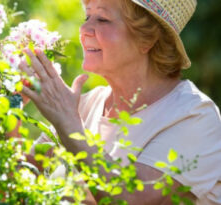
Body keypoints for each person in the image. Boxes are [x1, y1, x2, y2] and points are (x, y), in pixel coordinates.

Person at [13, 0, 221, 204]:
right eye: (87, 16)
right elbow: (13, 187)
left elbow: (131, 199)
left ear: (147, 39)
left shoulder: (194, 116)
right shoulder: (86, 106)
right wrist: (12, 105)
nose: (84, 29)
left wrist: (68, 124)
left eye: (102, 19)